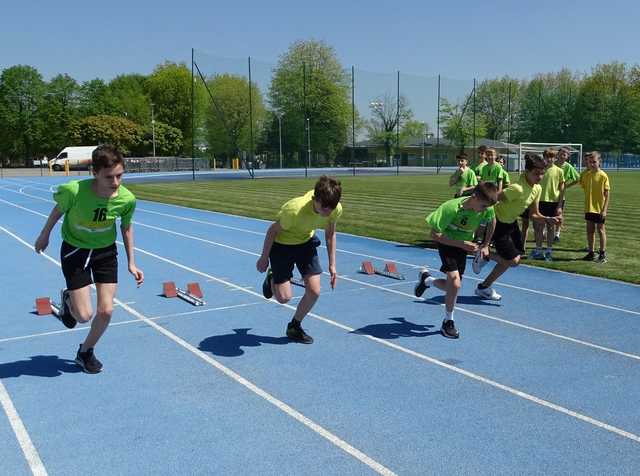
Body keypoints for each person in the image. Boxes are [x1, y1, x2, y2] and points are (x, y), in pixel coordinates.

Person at [34, 144, 144, 374]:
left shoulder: (126, 199)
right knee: (83, 316)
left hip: (105, 253)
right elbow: (57, 211)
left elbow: (126, 228)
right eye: (109, 177)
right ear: (94, 173)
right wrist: (44, 234)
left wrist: (131, 262)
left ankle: (85, 352)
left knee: (106, 311)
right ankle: (68, 301)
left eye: (119, 176)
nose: (115, 183)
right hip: (76, 251)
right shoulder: (74, 191)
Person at [256, 176, 342, 344]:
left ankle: (294, 326)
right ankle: (272, 276)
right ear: (315, 199)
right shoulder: (294, 210)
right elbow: (272, 231)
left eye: (330, 208)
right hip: (282, 245)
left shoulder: (334, 208)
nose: (327, 212)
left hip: (305, 243)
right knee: (283, 298)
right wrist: (264, 257)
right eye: (324, 207)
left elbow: (330, 233)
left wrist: (332, 265)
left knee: (315, 291)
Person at [414, 182, 498, 338]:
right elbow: (434, 235)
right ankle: (448, 322)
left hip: (463, 246)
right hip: (447, 242)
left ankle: (427, 280)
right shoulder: (450, 208)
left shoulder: (487, 208)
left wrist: (486, 245)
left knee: (451, 287)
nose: (485, 210)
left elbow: (492, 222)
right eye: (483, 206)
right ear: (474, 196)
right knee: (455, 282)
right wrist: (461, 244)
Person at [474, 154, 561, 300]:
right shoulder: (517, 188)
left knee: (515, 258)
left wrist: (547, 219)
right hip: (498, 223)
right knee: (512, 261)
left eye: (542, 173)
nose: (540, 177)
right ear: (527, 171)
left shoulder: (537, 189)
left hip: (511, 224)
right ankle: (483, 254)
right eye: (536, 173)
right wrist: (483, 222)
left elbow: (534, 214)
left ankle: (484, 287)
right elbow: (492, 199)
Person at [531, 148, 565, 261]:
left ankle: (549, 250)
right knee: (538, 227)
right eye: (547, 157)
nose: (549, 159)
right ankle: (538, 250)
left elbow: (562, 188)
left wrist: (560, 205)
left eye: (552, 157)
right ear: (544, 157)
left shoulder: (559, 171)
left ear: (555, 158)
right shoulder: (540, 170)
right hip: (539, 201)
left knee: (551, 227)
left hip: (553, 202)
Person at [579, 151, 610, 263]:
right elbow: (582, 185)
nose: (592, 164)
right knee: (590, 231)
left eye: (594, 162)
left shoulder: (603, 175)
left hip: (599, 209)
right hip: (589, 208)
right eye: (590, 162)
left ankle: (602, 254)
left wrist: (604, 210)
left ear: (599, 162)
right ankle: (591, 253)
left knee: (601, 230)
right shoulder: (586, 175)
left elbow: (607, 195)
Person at [554, 146, 580, 242]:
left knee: (559, 213)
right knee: (547, 213)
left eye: (564, 154)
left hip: (560, 194)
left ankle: (557, 234)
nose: (562, 155)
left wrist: (566, 186)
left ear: (567, 156)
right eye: (560, 153)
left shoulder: (568, 167)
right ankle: (545, 232)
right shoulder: (552, 164)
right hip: (549, 193)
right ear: (557, 154)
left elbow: (577, 178)